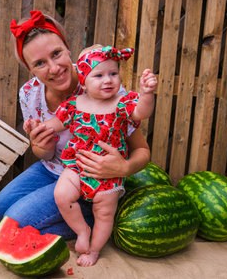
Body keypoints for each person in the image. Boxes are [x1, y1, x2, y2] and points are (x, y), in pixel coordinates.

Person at [0, 10, 151, 265]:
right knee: (0, 209)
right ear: (29, 69)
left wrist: (123, 166)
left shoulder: (103, 85)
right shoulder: (30, 94)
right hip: (54, 171)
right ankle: (76, 214)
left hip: (95, 180)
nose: (54, 68)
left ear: (67, 49)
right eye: (40, 63)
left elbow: (142, 151)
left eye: (56, 54)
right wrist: (39, 146)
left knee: (16, 219)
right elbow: (44, 155)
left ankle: (94, 220)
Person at [26, 45, 157, 266]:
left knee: (104, 214)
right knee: (62, 194)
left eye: (113, 74)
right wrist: (38, 126)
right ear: (84, 81)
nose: (108, 80)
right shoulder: (74, 104)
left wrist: (146, 94)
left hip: (108, 174)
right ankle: (82, 229)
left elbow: (141, 112)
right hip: (77, 167)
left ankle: (94, 250)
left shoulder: (122, 103)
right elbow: (56, 123)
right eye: (99, 75)